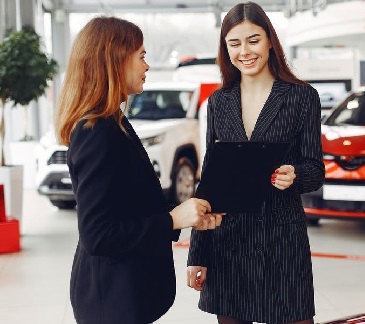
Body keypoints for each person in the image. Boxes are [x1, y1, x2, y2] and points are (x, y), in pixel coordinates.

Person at [55, 16, 223, 324]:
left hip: (125, 294)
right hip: (111, 302)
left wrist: (185, 215)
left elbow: (127, 205)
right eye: (142, 56)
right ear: (114, 58)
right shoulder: (97, 132)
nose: (147, 66)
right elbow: (98, 234)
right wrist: (172, 219)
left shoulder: (114, 122)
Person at [186, 2, 325, 324]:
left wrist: (296, 175)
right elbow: (210, 181)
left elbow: (315, 169)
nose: (244, 51)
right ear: (225, 48)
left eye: (253, 40)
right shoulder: (219, 103)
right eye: (234, 43)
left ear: (270, 41)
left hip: (282, 243)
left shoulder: (301, 97)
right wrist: (198, 255)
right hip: (229, 242)